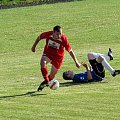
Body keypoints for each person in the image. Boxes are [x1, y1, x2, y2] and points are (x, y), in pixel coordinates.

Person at [31, 25, 81, 91]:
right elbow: (39, 37)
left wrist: (76, 61)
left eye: (60, 34)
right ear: (53, 32)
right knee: (43, 62)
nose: (59, 36)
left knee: (52, 76)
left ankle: (44, 83)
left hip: (58, 58)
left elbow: (70, 51)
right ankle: (46, 80)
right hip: (48, 54)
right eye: (57, 34)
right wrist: (34, 46)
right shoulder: (48, 34)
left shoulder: (63, 39)